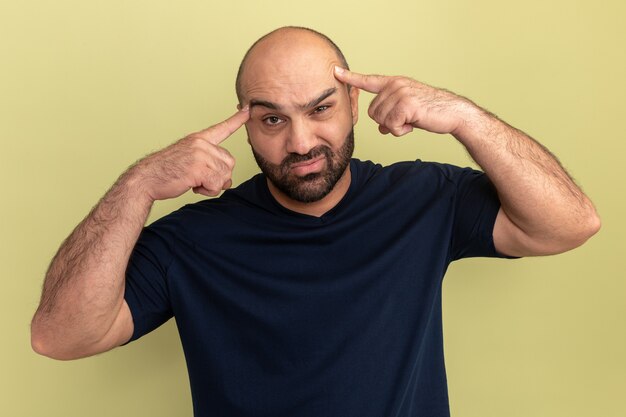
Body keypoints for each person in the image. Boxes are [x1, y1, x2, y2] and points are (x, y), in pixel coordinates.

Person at [31, 26, 600, 417]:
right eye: (272, 118)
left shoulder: (425, 198)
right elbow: (58, 337)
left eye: (320, 109)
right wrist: (138, 185)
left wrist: (465, 119)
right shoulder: (193, 239)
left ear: (354, 105)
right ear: (246, 127)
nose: (299, 142)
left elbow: (569, 224)